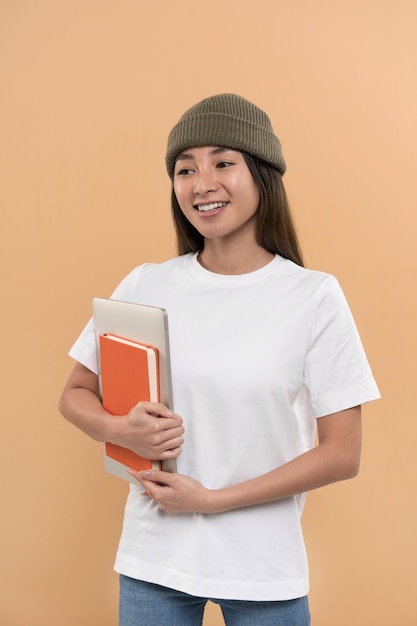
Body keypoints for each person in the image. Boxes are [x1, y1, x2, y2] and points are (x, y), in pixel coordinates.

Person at [59, 93, 380, 626]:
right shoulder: (147, 283)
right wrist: (122, 429)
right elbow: (73, 395)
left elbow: (342, 454)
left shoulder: (313, 296)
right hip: (154, 558)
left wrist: (214, 501)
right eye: (185, 169)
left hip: (262, 565)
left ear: (263, 175)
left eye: (223, 162)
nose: (202, 182)